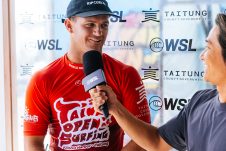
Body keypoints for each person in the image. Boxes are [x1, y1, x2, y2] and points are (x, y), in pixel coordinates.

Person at [23, 0, 151, 151]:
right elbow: (33, 143)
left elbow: (145, 139)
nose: (99, 32)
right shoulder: (43, 79)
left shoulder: (126, 74)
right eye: (90, 25)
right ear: (69, 26)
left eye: (104, 25)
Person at [89, 13, 226, 151]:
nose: (202, 56)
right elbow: (157, 141)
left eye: (209, 48)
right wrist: (115, 108)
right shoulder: (199, 101)